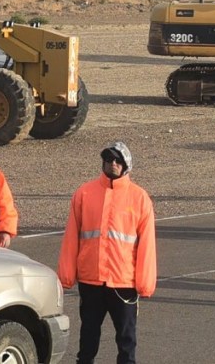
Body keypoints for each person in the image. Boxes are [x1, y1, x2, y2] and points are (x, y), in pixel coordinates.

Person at [58, 142, 157, 364]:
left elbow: (147, 245)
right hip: (91, 280)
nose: (112, 164)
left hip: (123, 283)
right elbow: (72, 236)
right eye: (108, 159)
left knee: (126, 340)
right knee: (88, 339)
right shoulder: (84, 193)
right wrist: (66, 274)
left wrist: (145, 283)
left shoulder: (139, 198)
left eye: (118, 161)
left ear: (126, 165)